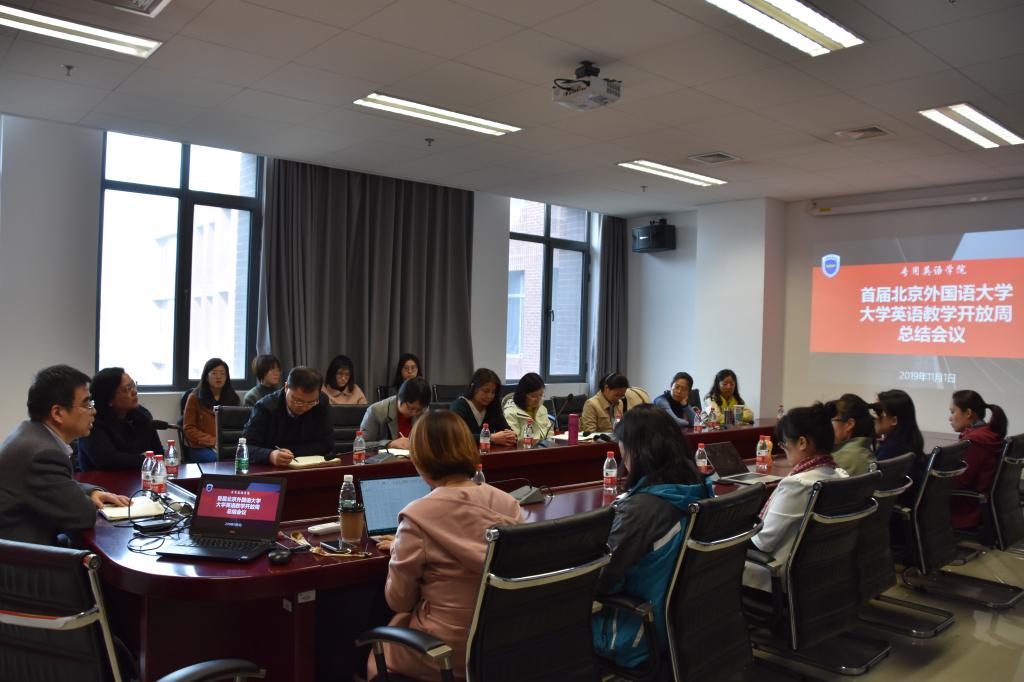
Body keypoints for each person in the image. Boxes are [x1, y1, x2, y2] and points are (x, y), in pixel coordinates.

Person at [369, 411, 521, 681]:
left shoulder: (417, 516)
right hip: (501, 647)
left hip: (444, 654)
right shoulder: (509, 504)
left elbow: (399, 600)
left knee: (378, 653)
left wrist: (400, 547)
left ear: (419, 459)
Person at [592, 405, 712, 668]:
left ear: (635, 451)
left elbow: (600, 580)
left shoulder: (642, 510)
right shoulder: (698, 488)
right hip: (683, 628)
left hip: (634, 635)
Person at [0, 365, 129, 545]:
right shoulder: (43, 454)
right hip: (24, 557)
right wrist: (86, 500)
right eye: (86, 404)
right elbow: (83, 516)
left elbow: (58, 484)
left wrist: (91, 492)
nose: (93, 411)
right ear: (58, 413)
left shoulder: (29, 433)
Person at [744, 404, 847, 592]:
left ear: (802, 443)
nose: (784, 449)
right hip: (821, 573)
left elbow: (762, 542)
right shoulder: (840, 475)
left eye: (784, 444)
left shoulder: (799, 484)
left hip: (777, 574)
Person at [242, 366, 333, 466]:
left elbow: (327, 443)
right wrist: (270, 455)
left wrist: (291, 451)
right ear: (286, 387)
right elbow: (245, 448)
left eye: (311, 402)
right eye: (298, 401)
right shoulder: (265, 407)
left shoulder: (321, 402)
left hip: (309, 467)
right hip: (271, 470)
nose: (304, 407)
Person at [78, 367, 164, 471]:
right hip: (100, 480)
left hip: (140, 478)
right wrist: (143, 459)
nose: (134, 392)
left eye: (133, 385)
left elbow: (159, 454)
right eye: (127, 389)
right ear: (109, 399)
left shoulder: (142, 415)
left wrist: (145, 459)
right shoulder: (92, 421)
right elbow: (108, 460)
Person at [948, 390, 1008, 529]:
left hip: (967, 510)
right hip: (981, 505)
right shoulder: (988, 434)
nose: (950, 418)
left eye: (953, 412)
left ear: (968, 413)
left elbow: (961, 481)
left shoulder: (975, 441)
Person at [183, 358, 241, 463]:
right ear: (206, 376)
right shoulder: (194, 398)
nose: (219, 377)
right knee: (218, 460)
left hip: (227, 445)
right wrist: (213, 441)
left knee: (244, 458)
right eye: (214, 373)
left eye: (223, 373)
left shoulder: (233, 398)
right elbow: (189, 428)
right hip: (199, 446)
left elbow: (237, 426)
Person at [872, 389, 927, 493]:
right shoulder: (908, 444)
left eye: (878, 412)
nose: (874, 417)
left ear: (894, 420)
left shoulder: (890, 451)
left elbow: (869, 487)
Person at [448, 368, 516, 446]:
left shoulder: (493, 406)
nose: (489, 396)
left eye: (493, 392)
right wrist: (490, 438)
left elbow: (506, 430)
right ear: (473, 388)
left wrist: (512, 436)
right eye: (485, 391)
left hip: (489, 452)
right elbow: (456, 437)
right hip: (465, 452)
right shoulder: (459, 406)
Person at [361, 377, 431, 450]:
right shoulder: (376, 411)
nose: (414, 413)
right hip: (387, 457)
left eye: (419, 410)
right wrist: (390, 444)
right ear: (400, 398)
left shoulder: (424, 411)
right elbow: (361, 446)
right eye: (411, 408)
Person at [581, 373, 651, 433]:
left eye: (622, 396)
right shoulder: (591, 404)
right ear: (606, 388)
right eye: (617, 395)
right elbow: (589, 434)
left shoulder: (619, 403)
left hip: (616, 441)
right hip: (600, 443)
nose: (619, 399)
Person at [825, 393, 875, 476]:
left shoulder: (842, 458)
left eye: (830, 421)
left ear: (849, 424)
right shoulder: (862, 451)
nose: (826, 427)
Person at [501, 372, 553, 443]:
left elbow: (549, 432)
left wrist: (550, 443)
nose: (538, 399)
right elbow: (513, 439)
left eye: (541, 395)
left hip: (544, 446)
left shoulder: (541, 409)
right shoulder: (511, 412)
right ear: (522, 395)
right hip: (524, 448)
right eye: (534, 396)